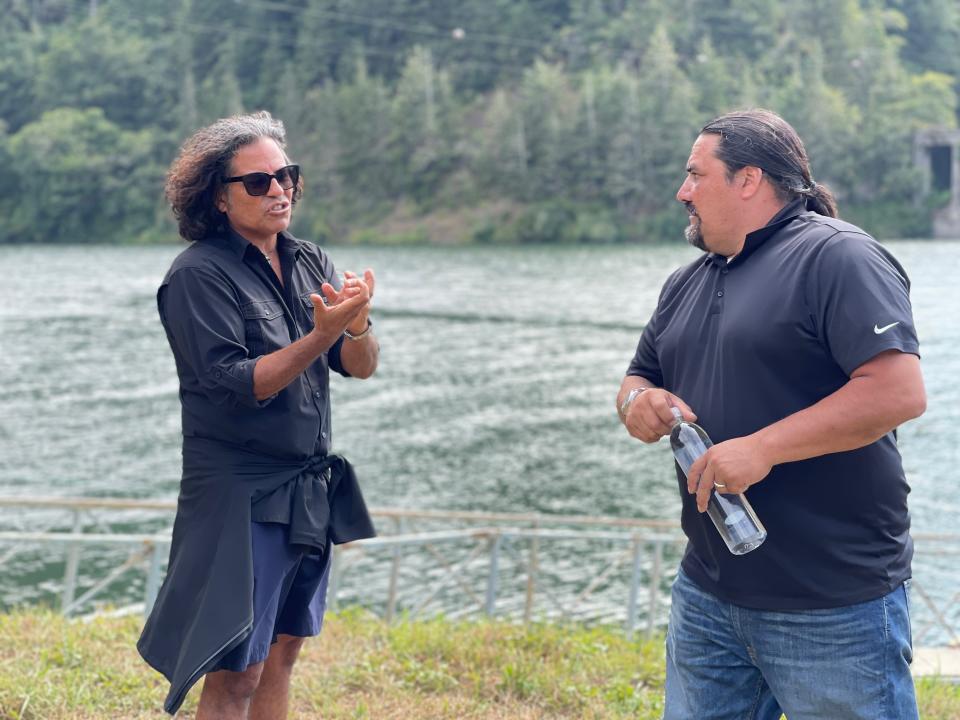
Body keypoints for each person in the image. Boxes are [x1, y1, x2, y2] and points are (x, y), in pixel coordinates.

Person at [617, 109, 926, 720]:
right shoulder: (686, 282)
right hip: (708, 593)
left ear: (749, 179)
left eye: (695, 175)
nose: (683, 192)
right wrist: (638, 404)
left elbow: (898, 392)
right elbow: (637, 377)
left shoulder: (838, 257)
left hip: (832, 603)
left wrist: (762, 448)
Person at [138, 111, 378, 718]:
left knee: (283, 650)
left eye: (286, 176)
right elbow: (240, 386)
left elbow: (362, 365)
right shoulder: (197, 276)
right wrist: (322, 336)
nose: (279, 190)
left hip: (307, 484)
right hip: (238, 494)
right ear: (218, 198)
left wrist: (356, 322)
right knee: (236, 667)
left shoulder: (309, 259)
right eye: (258, 182)